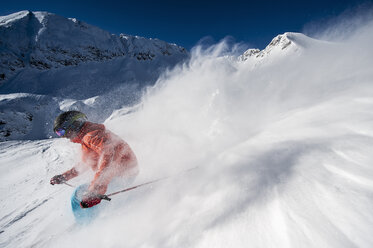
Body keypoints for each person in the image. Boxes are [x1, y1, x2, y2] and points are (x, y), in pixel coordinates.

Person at [50, 110, 138, 208]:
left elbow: (109, 156)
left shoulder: (91, 136)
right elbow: (85, 164)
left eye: (62, 131)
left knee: (79, 194)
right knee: (81, 193)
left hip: (124, 174)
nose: (63, 136)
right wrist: (64, 177)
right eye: (58, 133)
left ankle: (90, 222)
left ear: (73, 125)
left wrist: (96, 190)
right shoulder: (86, 138)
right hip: (120, 174)